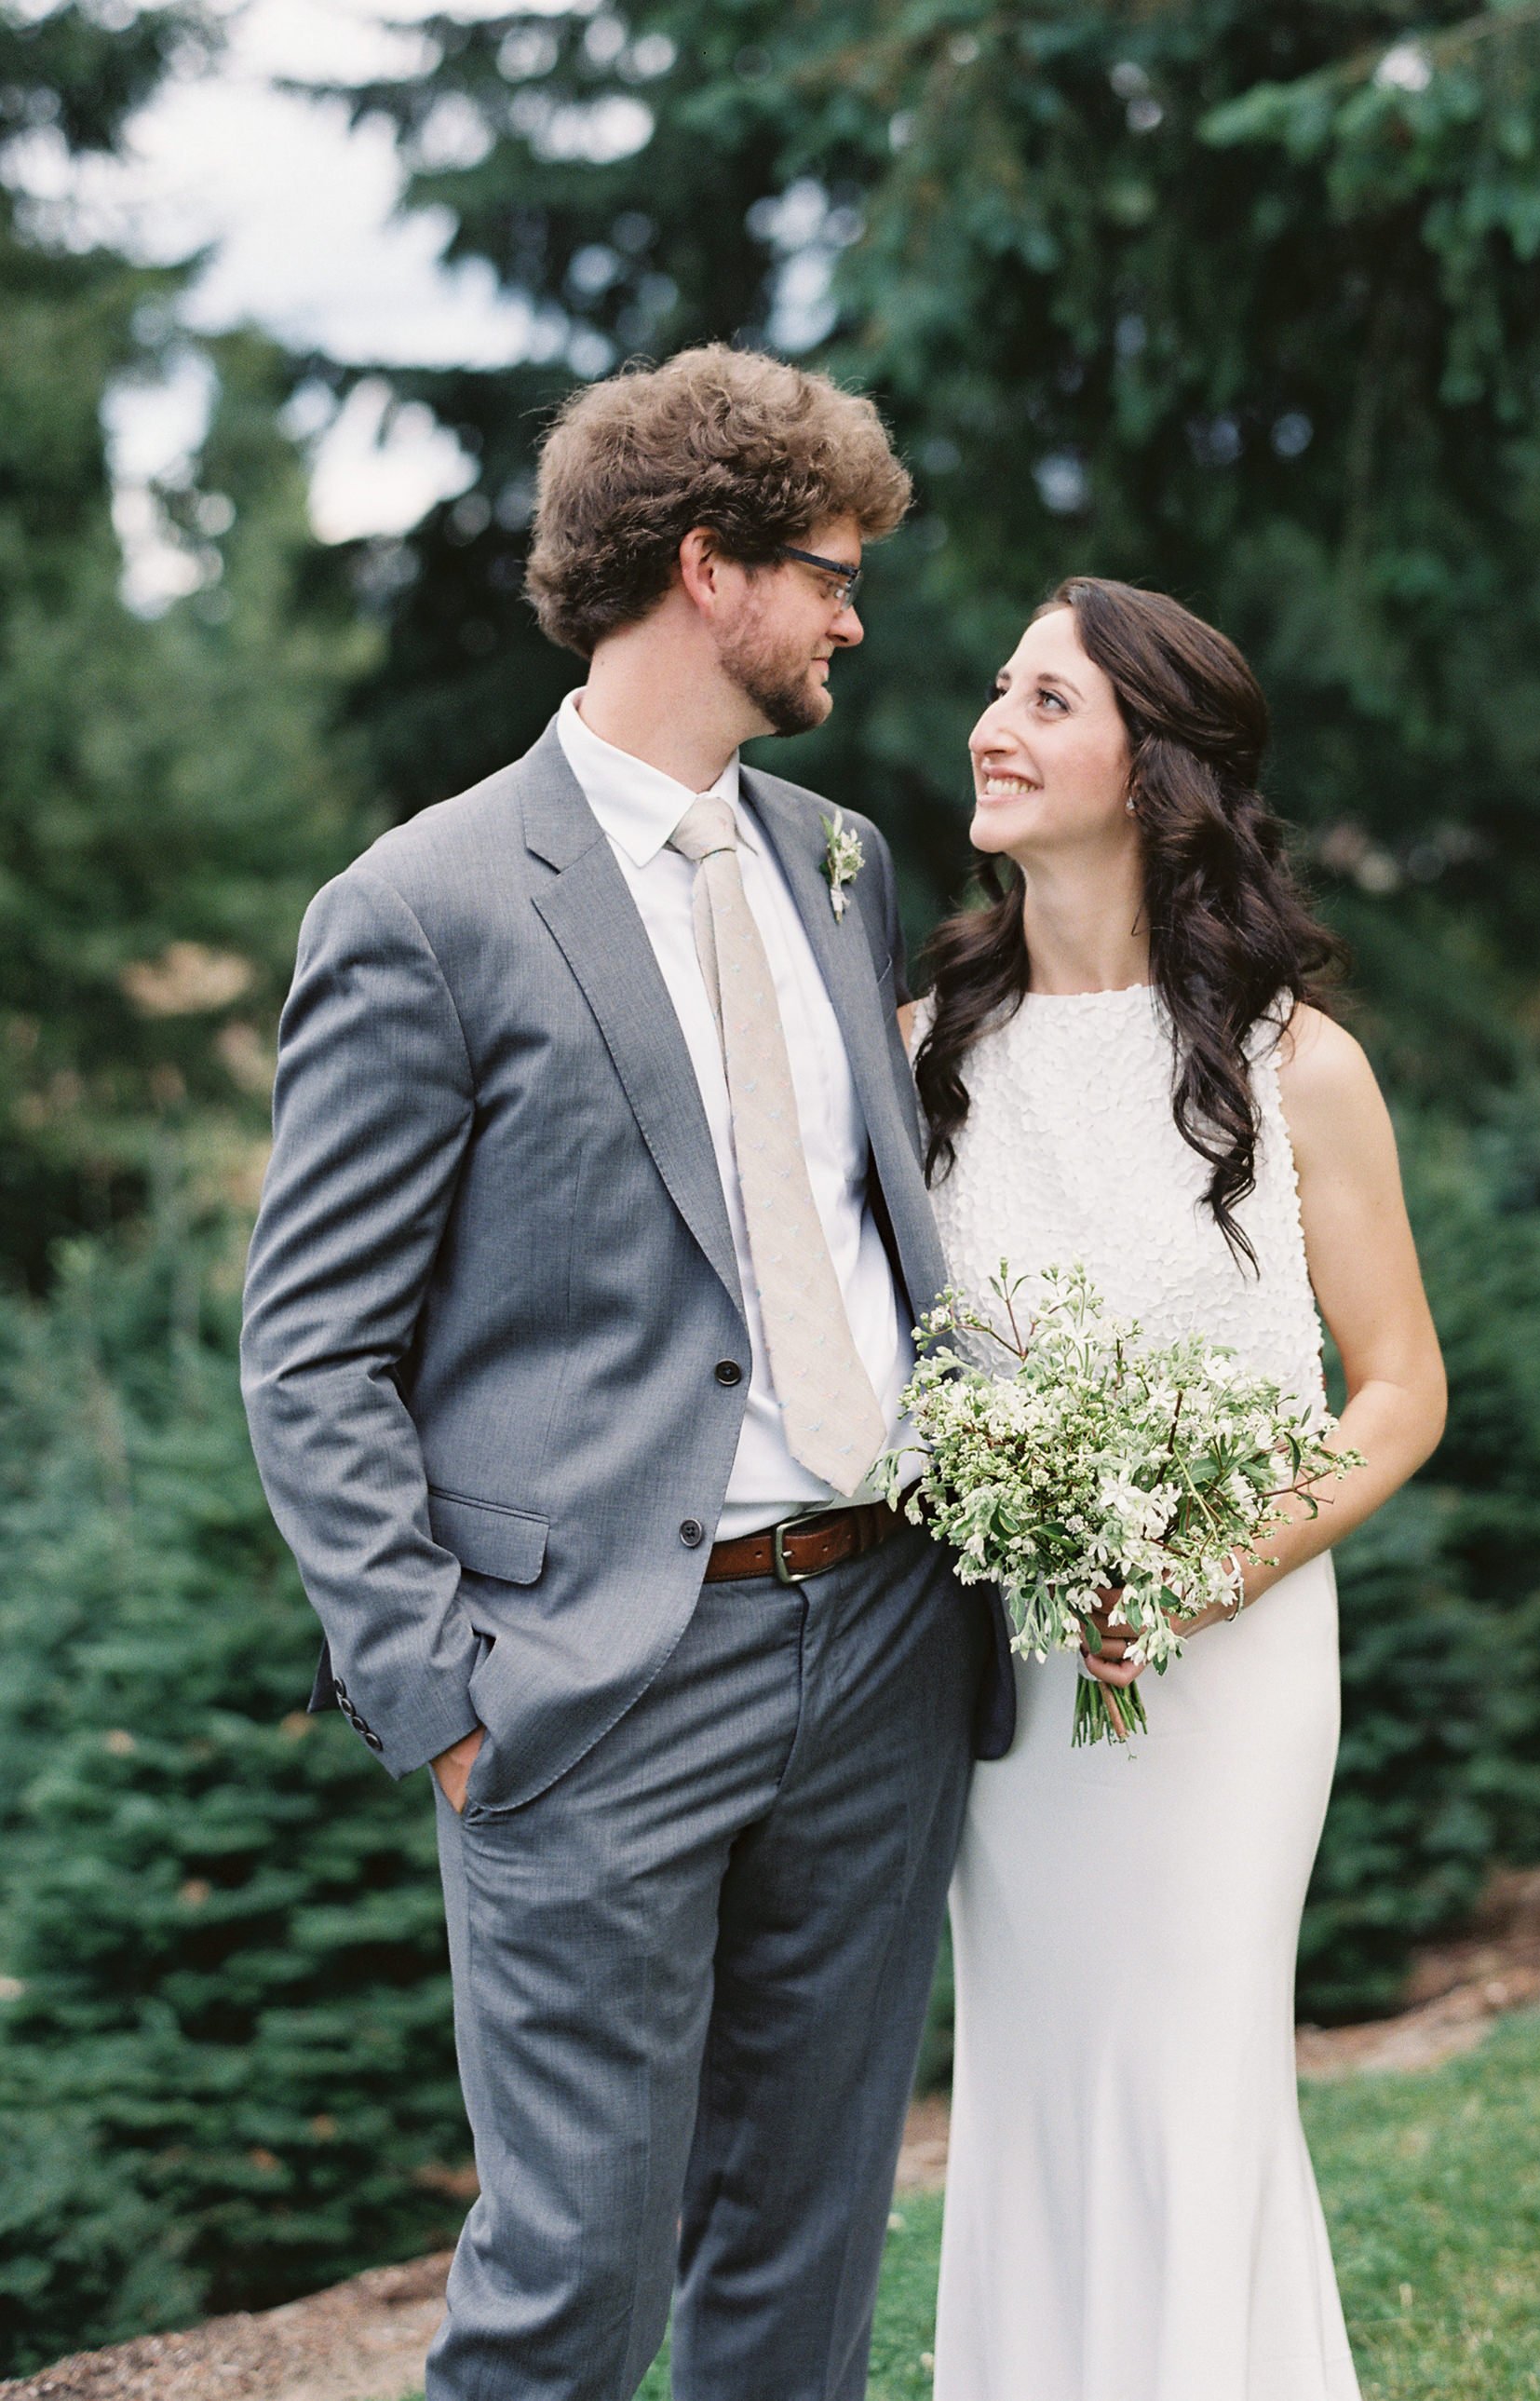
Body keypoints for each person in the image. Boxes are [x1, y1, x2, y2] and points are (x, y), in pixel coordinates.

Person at [239, 343, 1010, 2401]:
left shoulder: (838, 859)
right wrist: (442, 1695)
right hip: (589, 1684)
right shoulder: (427, 905)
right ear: (707, 565)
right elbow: (310, 1342)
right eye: (833, 571)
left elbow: (874, 1225)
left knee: (805, 2254)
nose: (856, 614)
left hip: (880, 1636)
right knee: (572, 2276)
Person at [905, 578, 1447, 2400]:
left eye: (1044, 698)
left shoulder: (1299, 1063)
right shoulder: (922, 1052)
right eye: (998, 687)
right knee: (1037, 2073)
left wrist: (1218, 1561)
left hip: (1231, 1663)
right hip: (1015, 1669)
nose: (993, 720)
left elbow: (1396, 1391)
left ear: (1155, 766)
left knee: (1193, 2071)